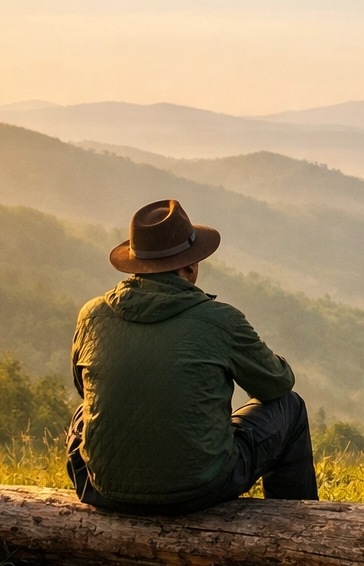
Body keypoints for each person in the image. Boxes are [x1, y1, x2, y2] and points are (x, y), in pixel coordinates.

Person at [66, 198, 317, 514]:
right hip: (199, 490)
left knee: (83, 411)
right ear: (190, 265)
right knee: (290, 407)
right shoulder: (220, 320)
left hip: (101, 487)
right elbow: (277, 385)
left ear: (136, 263)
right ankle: (294, 527)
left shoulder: (91, 315)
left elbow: (83, 388)